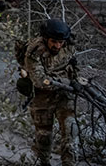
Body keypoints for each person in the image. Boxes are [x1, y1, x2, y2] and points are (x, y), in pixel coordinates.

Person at [23, 18, 77, 166]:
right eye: (54, 42)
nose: (57, 46)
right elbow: (41, 81)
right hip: (43, 97)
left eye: (61, 42)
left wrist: (77, 79)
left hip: (64, 95)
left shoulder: (69, 44)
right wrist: (67, 82)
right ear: (46, 38)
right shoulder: (34, 51)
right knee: (44, 137)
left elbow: (73, 65)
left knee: (71, 132)